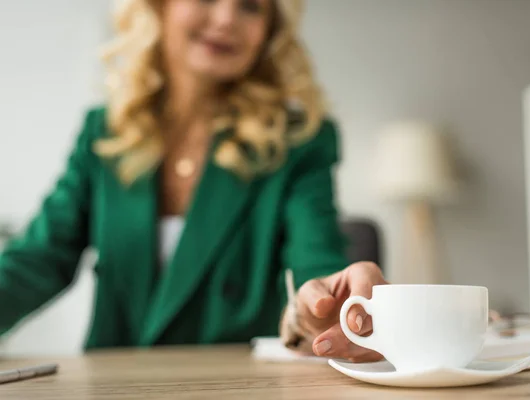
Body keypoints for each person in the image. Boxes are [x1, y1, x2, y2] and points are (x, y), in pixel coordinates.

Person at [0, 0, 386, 362]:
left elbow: (314, 264)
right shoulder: (105, 131)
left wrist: (322, 308)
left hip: (237, 386)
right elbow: (40, 257)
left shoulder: (301, 140)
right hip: (111, 384)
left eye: (250, 5)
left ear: (269, 31)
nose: (225, 18)